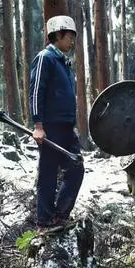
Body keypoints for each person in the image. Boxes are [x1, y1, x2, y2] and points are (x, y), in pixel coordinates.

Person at [29, 15, 84, 229]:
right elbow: (36, 93)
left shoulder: (63, 62)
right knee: (49, 173)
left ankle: (60, 215)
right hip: (50, 127)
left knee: (76, 168)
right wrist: (38, 126)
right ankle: (44, 220)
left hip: (66, 127)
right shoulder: (45, 57)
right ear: (58, 36)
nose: (72, 42)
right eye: (69, 37)